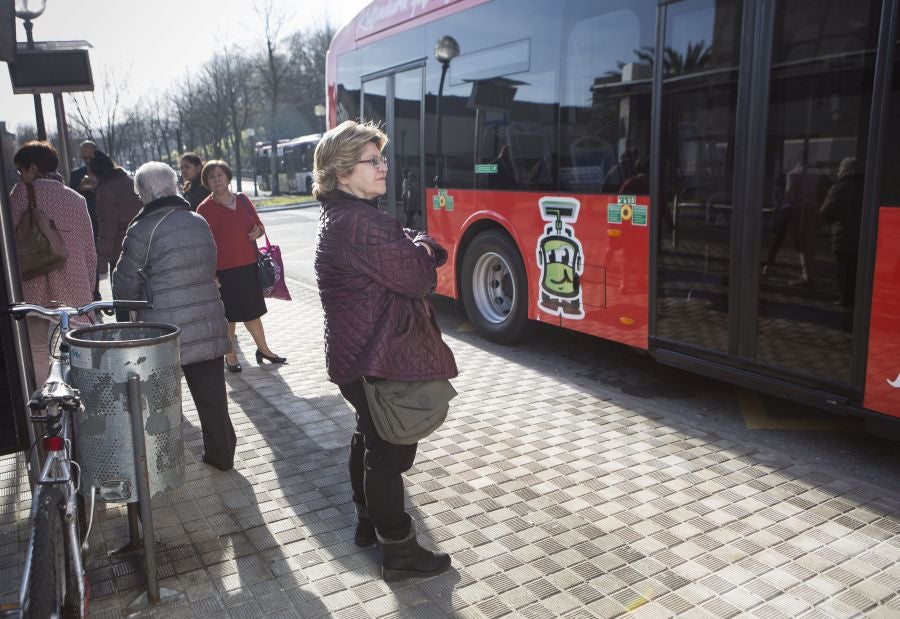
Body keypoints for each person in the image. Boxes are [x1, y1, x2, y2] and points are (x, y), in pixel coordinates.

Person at [313, 120, 457, 580]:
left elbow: (402, 257)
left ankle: (366, 524)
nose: (383, 167)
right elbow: (418, 277)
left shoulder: (345, 216)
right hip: (378, 359)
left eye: (382, 158)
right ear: (340, 172)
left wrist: (411, 242)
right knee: (390, 455)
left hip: (358, 356)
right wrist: (421, 245)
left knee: (369, 437)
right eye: (371, 160)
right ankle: (398, 550)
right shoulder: (361, 222)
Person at [113, 162, 236, 470]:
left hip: (163, 329)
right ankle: (222, 457)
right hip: (206, 320)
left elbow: (125, 282)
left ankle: (165, 465)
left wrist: (124, 318)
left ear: (143, 192)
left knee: (161, 402)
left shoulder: (140, 230)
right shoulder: (197, 220)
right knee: (213, 399)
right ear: (174, 186)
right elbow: (209, 264)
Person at [10, 141, 97, 382]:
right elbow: (90, 250)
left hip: (33, 281)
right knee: (81, 346)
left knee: (37, 350)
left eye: (21, 170)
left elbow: (9, 241)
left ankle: (44, 408)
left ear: (34, 168)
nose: (20, 176)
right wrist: (90, 286)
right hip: (75, 280)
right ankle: (84, 398)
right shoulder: (76, 198)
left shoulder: (20, 194)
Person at [196, 160, 284, 372]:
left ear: (227, 176)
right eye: (211, 177)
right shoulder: (204, 209)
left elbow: (259, 225)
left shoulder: (243, 200)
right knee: (229, 316)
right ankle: (231, 356)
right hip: (223, 271)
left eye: (220, 175)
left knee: (253, 312)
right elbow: (203, 245)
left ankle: (264, 350)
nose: (216, 179)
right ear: (206, 182)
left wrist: (258, 231)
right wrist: (211, 274)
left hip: (249, 266)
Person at [89, 150, 142, 280]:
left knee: (123, 297)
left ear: (96, 174)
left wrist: (100, 262)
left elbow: (107, 230)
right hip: (142, 246)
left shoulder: (105, 190)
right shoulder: (130, 181)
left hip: (121, 253)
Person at [819, 157, 863, 307]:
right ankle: (858, 298)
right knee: (859, 271)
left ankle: (846, 299)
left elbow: (826, 212)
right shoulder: (868, 186)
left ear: (845, 170)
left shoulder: (839, 188)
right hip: (864, 238)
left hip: (843, 237)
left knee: (844, 271)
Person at [69, 140, 100, 300]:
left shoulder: (103, 172)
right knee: (89, 255)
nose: (87, 161)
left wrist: (96, 187)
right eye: (84, 158)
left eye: (90, 157)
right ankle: (93, 292)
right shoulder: (76, 175)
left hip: (102, 219)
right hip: (84, 221)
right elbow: (69, 198)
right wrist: (79, 189)